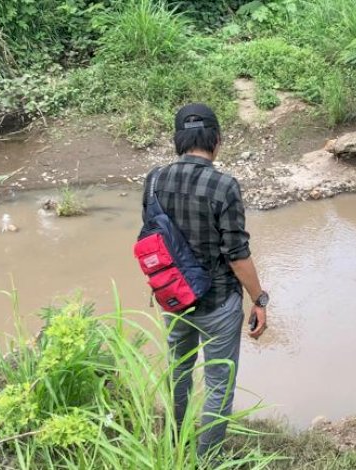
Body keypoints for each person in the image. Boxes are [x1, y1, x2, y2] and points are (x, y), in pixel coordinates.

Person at [142, 103, 269, 456]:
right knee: (217, 386)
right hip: (217, 303)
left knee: (179, 372)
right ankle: (207, 460)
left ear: (178, 139)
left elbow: (153, 238)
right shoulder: (224, 185)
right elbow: (237, 254)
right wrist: (259, 300)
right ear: (216, 139)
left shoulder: (154, 180)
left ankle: (174, 445)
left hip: (173, 300)